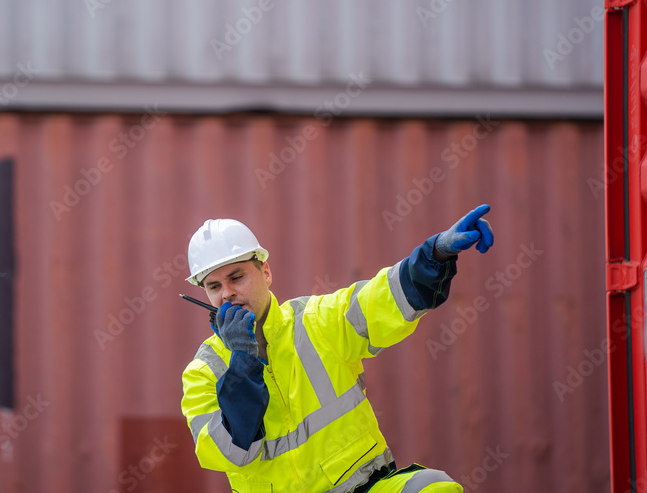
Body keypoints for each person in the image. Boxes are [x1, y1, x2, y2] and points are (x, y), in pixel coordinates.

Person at [180, 205, 494, 493]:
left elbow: (382, 298)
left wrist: (434, 254)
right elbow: (229, 452)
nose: (227, 294)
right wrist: (243, 358)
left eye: (237, 277)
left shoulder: (317, 322)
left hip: (363, 487)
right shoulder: (203, 372)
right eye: (214, 286)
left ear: (265, 272)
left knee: (433, 488)